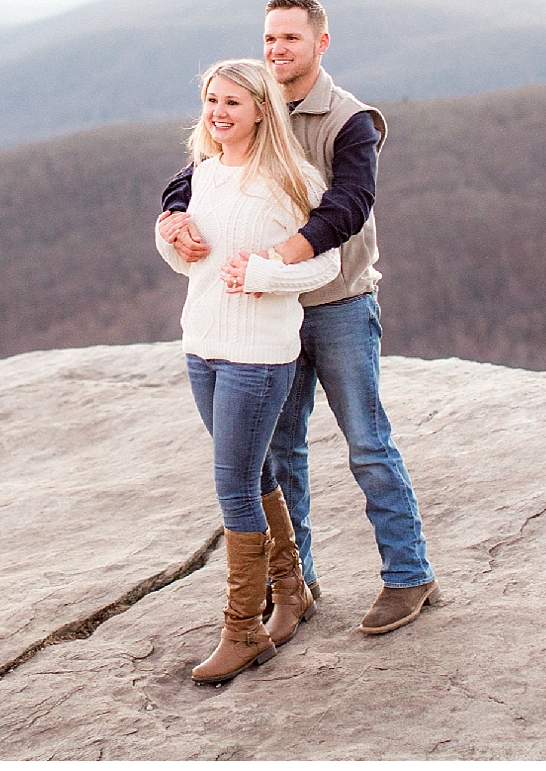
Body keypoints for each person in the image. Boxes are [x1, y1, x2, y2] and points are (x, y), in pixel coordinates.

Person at [157, 0, 438, 637]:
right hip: (267, 319)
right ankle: (298, 585)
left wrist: (282, 255)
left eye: (290, 37)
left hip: (336, 302)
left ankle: (408, 576)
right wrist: (174, 216)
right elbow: (195, 172)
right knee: (280, 453)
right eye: (269, 38)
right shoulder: (251, 102)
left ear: (320, 43)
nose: (277, 48)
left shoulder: (349, 119)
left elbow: (350, 204)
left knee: (366, 443)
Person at [155, 58, 340, 684]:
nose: (219, 112)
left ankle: (243, 630)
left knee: (233, 484)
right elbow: (193, 267)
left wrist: (267, 275)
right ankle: (292, 594)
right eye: (211, 100)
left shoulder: (291, 179)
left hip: (257, 354)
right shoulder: (203, 176)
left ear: (262, 108)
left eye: (233, 102)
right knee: (255, 472)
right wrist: (173, 237)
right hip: (201, 343)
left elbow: (326, 265)